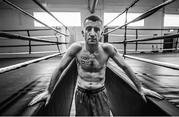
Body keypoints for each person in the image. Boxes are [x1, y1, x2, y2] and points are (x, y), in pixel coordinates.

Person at [29, 15, 163, 116]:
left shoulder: (107, 49)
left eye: (96, 30)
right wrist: (49, 91)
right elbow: (59, 68)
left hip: (100, 94)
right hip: (81, 94)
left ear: (101, 33)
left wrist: (140, 88)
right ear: (83, 33)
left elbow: (125, 67)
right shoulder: (76, 48)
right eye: (88, 29)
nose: (92, 33)